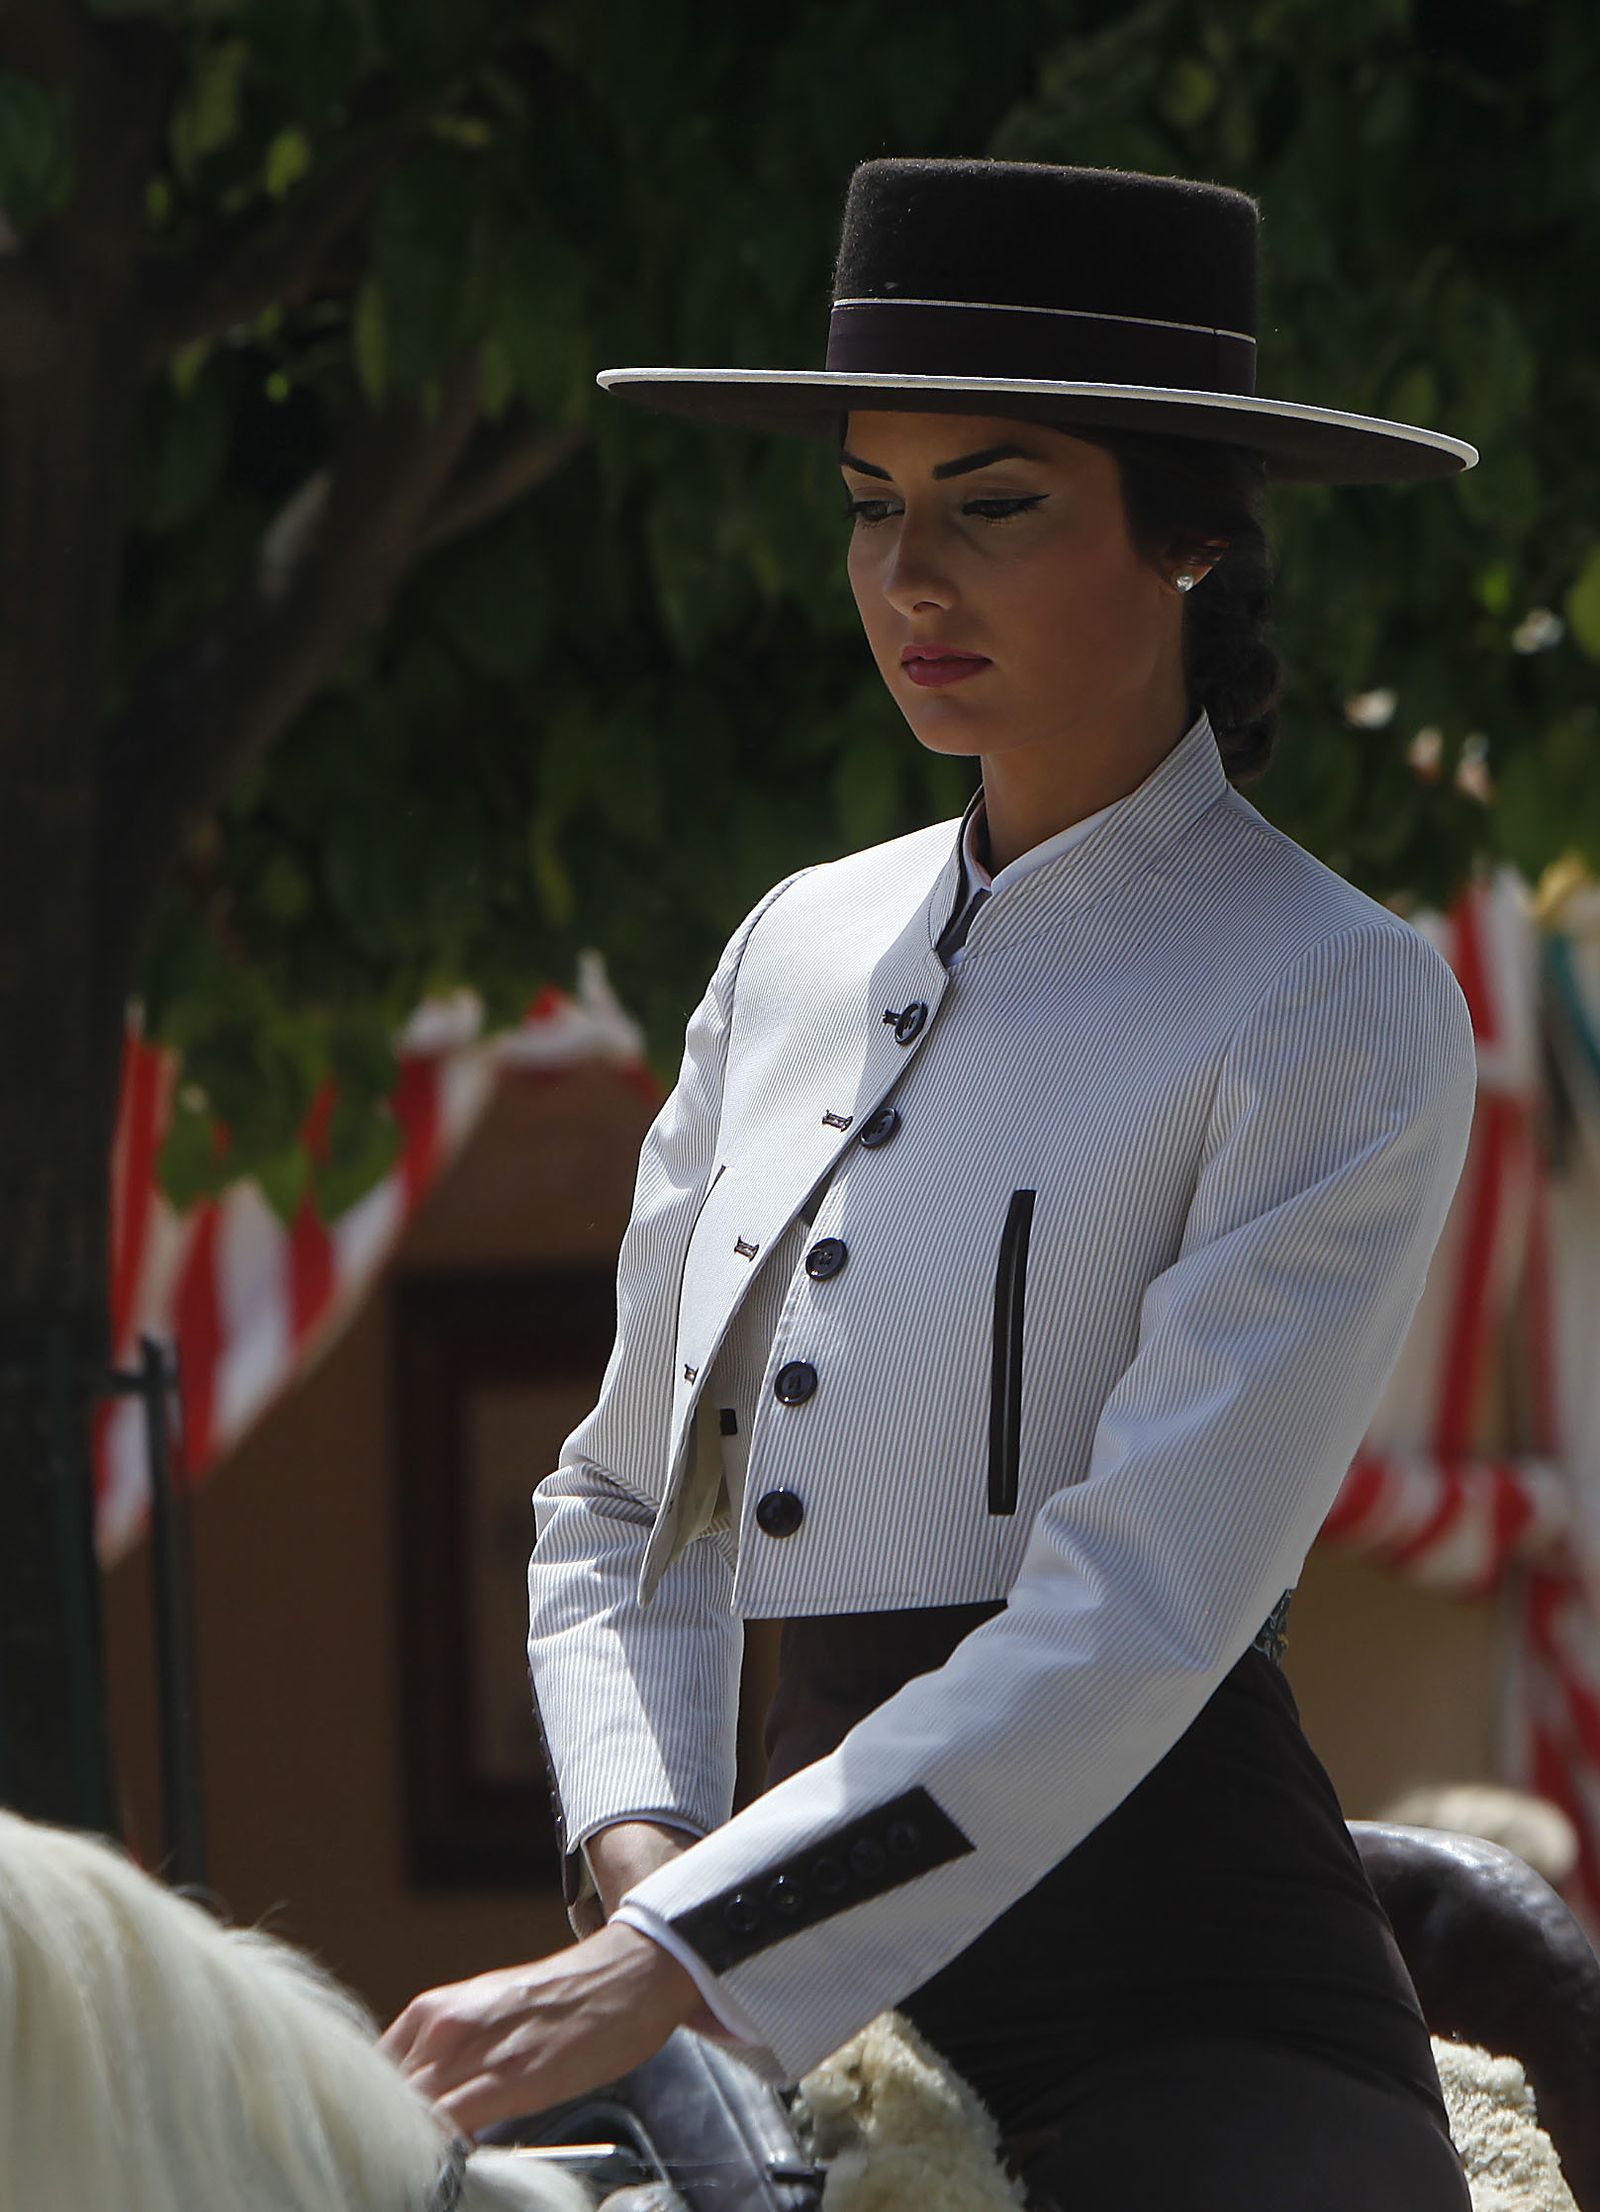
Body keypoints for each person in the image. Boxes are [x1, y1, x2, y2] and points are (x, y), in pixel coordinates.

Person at [383, 157, 1481, 2209]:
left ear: (1190, 538)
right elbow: (617, 1501)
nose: (909, 577)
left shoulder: (1329, 992)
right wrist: (646, 1866)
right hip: (745, 1978)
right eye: (869, 503)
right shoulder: (789, 942)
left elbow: (1138, 1607)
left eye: (990, 504)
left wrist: (676, 1948)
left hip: (1180, 2010)